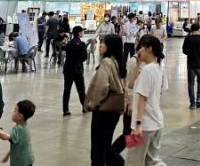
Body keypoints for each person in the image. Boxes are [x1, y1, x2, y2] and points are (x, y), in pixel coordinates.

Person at [85, 34, 126, 166]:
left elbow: (102, 86)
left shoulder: (106, 62)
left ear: (110, 46)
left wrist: (92, 104)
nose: (100, 45)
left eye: (103, 43)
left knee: (97, 149)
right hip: (114, 110)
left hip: (103, 111)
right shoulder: (118, 61)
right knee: (105, 147)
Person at [126, 35, 165, 166]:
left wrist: (138, 125)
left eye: (141, 48)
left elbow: (142, 99)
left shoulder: (147, 70)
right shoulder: (157, 68)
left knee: (132, 161)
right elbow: (131, 85)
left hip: (143, 126)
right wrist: (137, 65)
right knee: (152, 161)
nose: (138, 51)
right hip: (156, 122)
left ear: (149, 49)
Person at [0, 100, 35, 166]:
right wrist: (7, 156)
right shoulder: (25, 126)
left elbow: (5, 136)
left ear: (20, 116)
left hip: (21, 162)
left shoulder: (18, 129)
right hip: (28, 159)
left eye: (15, 110)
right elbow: (17, 145)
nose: (12, 112)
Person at [182, 23, 200, 109]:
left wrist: (189, 53)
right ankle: (198, 100)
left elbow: (184, 50)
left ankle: (192, 103)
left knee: (191, 83)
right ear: (198, 29)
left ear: (191, 29)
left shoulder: (187, 38)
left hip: (191, 64)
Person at [63, 26, 88, 116]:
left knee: (67, 90)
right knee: (81, 89)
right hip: (77, 69)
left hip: (68, 69)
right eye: (82, 32)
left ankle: (65, 110)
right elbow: (85, 57)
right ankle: (85, 107)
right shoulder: (82, 44)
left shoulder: (69, 43)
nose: (83, 33)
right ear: (79, 33)